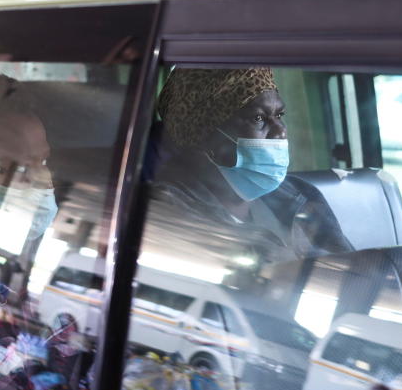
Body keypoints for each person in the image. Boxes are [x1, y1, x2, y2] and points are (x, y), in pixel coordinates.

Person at [150, 67, 352, 263]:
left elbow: (354, 269)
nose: (280, 131)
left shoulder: (296, 194)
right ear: (203, 135)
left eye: (280, 115)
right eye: (258, 118)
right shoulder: (167, 213)